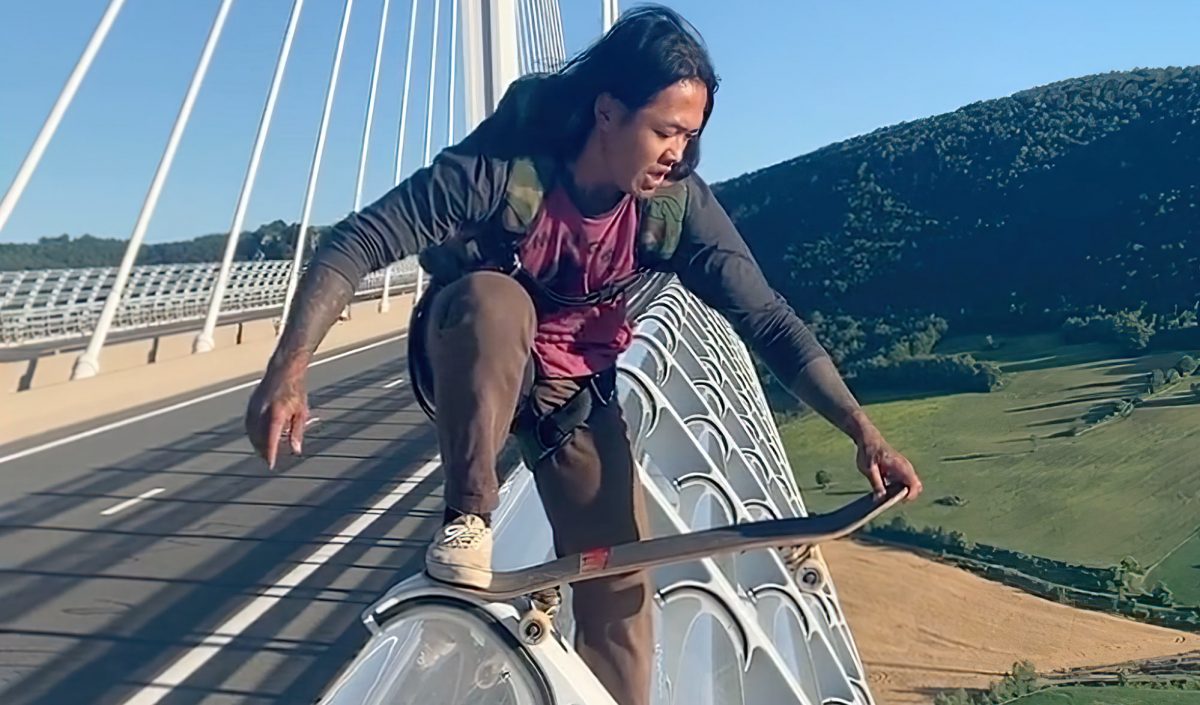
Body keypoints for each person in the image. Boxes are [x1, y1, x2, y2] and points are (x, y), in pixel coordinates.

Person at [244, 6, 923, 705]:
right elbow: (357, 240)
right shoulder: (503, 171)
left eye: (691, 137)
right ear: (607, 112)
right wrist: (288, 369)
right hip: (471, 348)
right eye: (666, 131)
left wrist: (863, 431)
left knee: (622, 595)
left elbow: (769, 319)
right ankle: (467, 520)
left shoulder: (677, 206)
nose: (680, 155)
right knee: (494, 301)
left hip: (570, 387)